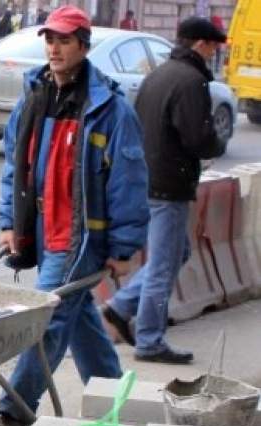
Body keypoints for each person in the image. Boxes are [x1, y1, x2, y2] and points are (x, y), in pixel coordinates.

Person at [0, 5, 149, 426]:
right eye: (50, 40)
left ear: (83, 47)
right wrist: (8, 222)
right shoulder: (34, 97)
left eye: (65, 41)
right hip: (43, 229)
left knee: (48, 320)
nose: (54, 48)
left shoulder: (109, 109)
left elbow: (128, 180)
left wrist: (124, 247)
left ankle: (16, 411)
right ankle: (114, 398)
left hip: (81, 236)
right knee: (79, 319)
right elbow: (15, 168)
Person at [99, 17, 227, 365]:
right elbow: (198, 138)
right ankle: (150, 340)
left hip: (148, 179)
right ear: (200, 44)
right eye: (213, 45)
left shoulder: (159, 74)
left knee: (177, 253)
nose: (215, 52)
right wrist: (217, 142)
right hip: (169, 184)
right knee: (163, 264)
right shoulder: (191, 81)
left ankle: (120, 306)